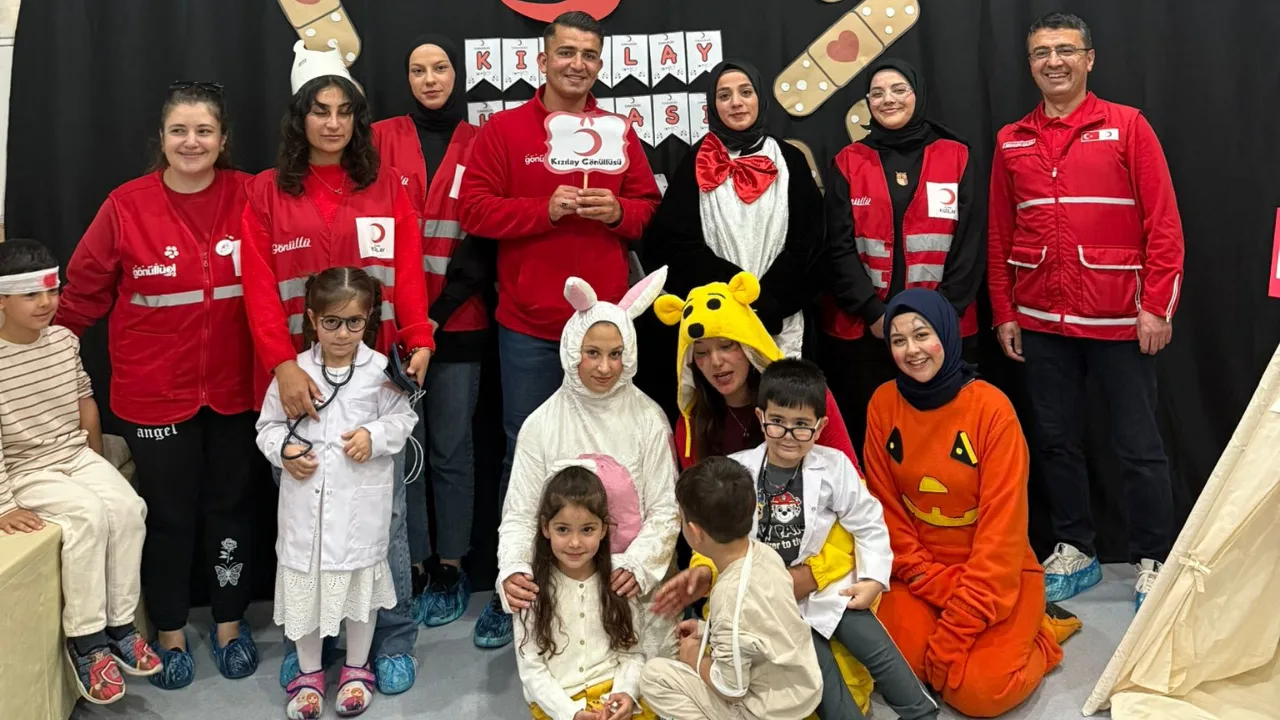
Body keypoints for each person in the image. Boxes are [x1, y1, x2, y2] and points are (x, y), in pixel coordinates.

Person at [459, 10, 661, 646]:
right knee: (526, 455)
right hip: (529, 325)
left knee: (611, 460)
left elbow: (651, 208)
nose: (578, 63)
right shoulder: (503, 131)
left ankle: (598, 583)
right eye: (566, 52)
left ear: (600, 64)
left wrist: (619, 210)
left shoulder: (618, 130)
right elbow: (473, 209)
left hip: (603, 330)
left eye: (589, 55)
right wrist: (541, 209)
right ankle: (513, 584)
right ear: (541, 61)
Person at [240, 43, 433, 694]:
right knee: (309, 523)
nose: (331, 123)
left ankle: (393, 636)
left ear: (357, 118)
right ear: (300, 117)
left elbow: (406, 275)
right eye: (318, 110)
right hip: (299, 385)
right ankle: (313, 648)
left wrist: (420, 339)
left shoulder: (387, 188)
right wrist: (282, 371)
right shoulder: (266, 194)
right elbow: (260, 290)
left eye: (343, 110)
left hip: (377, 382)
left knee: (389, 522)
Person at [56, 81, 260, 690]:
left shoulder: (253, 195)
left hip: (238, 392)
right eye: (179, 131)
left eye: (203, 131)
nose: (191, 142)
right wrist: (44, 367)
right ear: (162, 139)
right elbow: (80, 298)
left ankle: (229, 625)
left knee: (232, 511)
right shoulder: (125, 205)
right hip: (153, 396)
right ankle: (169, 631)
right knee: (167, 518)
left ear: (223, 139)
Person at [987, 12, 1184, 609]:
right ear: (1030, 63)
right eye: (1041, 52)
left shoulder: (1128, 126)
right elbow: (999, 234)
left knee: (1138, 446)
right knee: (1055, 441)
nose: (1053, 61)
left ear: (1089, 59)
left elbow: (1164, 224)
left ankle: (1154, 556)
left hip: (1120, 321)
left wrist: (1156, 307)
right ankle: (1076, 547)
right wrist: (1005, 311)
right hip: (1042, 321)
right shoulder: (1010, 138)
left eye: (1065, 50)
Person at [656, 359, 940, 720]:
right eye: (777, 422)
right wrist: (702, 572)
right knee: (818, 673)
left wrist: (871, 580)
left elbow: (868, 523)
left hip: (827, 588)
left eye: (801, 426)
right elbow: (718, 534)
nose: (788, 435)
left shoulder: (835, 467)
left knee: (875, 646)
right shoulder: (738, 469)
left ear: (820, 427)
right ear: (761, 418)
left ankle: (920, 713)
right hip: (773, 601)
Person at [652, 271, 881, 714]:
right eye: (701, 353)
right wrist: (705, 574)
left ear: (751, 343)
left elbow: (852, 494)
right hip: (743, 581)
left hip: (823, 562)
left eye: (728, 345)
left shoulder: (804, 399)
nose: (716, 362)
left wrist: (811, 575)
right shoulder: (693, 425)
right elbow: (709, 527)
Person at [863, 289, 1081, 718]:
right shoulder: (882, 403)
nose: (912, 350)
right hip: (919, 573)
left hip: (996, 574)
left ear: (946, 333)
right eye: (898, 340)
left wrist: (959, 624)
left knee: (980, 694)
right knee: (897, 667)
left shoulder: (992, 410)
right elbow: (884, 509)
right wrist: (928, 579)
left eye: (922, 335)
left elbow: (1003, 532)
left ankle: (1043, 636)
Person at [256, 267, 419, 720]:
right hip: (305, 511)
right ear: (311, 319)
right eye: (331, 322)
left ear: (369, 320)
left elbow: (403, 421)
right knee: (306, 592)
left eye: (354, 322)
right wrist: (283, 451)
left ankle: (355, 667)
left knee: (359, 591)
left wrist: (373, 434)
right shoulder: (294, 373)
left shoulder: (381, 371)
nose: (343, 333)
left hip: (359, 510)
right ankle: (309, 674)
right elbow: (266, 428)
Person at [0, 240, 156, 705]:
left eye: (52, 291)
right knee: (86, 517)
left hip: (74, 456)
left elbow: (84, 400)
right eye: (30, 295)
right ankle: (86, 642)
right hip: (26, 467)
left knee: (128, 507)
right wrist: (5, 504)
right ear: (2, 300)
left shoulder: (64, 340)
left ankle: (121, 624)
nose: (46, 303)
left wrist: (97, 464)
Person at [372, 34, 492, 629]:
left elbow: (484, 243)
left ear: (456, 74)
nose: (430, 79)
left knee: (449, 450)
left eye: (440, 67)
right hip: (386, 330)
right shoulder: (379, 137)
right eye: (417, 69)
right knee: (404, 455)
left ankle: (450, 566)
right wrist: (404, 323)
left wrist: (434, 320)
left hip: (458, 325)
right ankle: (411, 564)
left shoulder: (481, 141)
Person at [496, 268, 678, 657]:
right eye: (592, 353)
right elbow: (520, 515)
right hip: (564, 586)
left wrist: (639, 565)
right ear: (571, 350)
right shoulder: (541, 425)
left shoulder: (649, 419)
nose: (604, 367)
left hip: (635, 589)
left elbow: (665, 511)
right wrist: (511, 568)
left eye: (616, 354)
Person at [820, 59, 983, 460]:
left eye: (898, 90)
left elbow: (970, 244)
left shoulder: (957, 155)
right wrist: (873, 312)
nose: (887, 99)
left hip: (944, 328)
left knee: (944, 441)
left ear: (917, 94)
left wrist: (937, 317)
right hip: (867, 332)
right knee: (874, 441)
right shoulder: (848, 161)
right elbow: (837, 247)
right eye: (877, 93)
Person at [641, 59, 824, 359]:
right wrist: (731, 294)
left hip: (782, 317)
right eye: (724, 96)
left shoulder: (790, 159)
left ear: (760, 98)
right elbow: (674, 244)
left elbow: (811, 242)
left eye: (745, 92)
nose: (736, 103)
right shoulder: (695, 162)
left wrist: (770, 300)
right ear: (712, 106)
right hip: (718, 317)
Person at [639, 457, 822, 720]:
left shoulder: (728, 595)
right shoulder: (765, 554)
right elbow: (762, 624)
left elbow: (731, 688)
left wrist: (694, 657)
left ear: (695, 532)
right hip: (800, 691)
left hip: (768, 709)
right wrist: (707, 631)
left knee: (654, 676)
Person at [514, 464, 658, 720]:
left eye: (587, 529)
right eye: (563, 529)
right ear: (546, 528)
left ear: (604, 529)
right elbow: (532, 670)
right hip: (559, 705)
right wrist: (572, 714)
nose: (575, 543)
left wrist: (625, 694)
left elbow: (633, 654)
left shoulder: (618, 581)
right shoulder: (530, 590)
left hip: (613, 698)